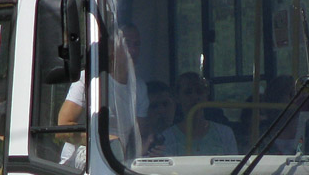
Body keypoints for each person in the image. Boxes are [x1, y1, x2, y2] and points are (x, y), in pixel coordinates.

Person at [57, 23, 148, 164]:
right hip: (81, 166)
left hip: (119, 165)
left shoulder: (140, 88)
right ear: (111, 49)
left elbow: (139, 136)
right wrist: (104, 142)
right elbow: (63, 128)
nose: (133, 50)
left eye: (137, 44)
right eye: (127, 44)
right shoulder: (88, 79)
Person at [160, 72, 238, 156]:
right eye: (188, 92)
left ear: (206, 95)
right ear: (177, 97)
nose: (195, 97)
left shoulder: (224, 133)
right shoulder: (168, 137)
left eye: (199, 91)